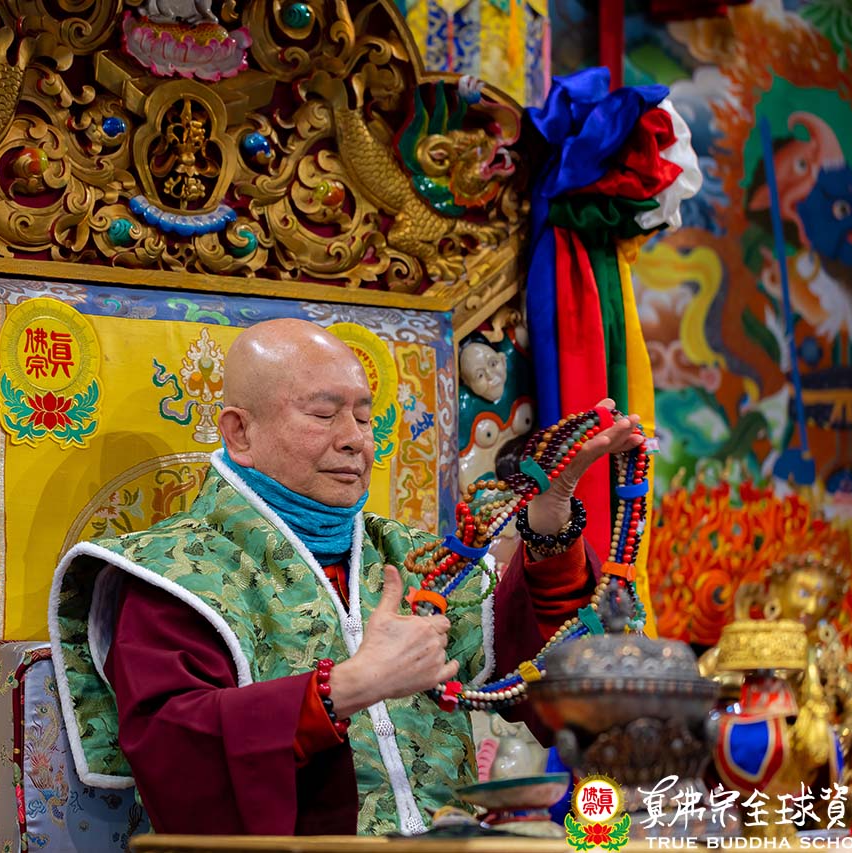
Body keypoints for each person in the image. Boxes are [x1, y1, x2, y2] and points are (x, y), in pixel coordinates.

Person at [49, 318, 643, 836]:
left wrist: (550, 520)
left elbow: (545, 672)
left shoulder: (409, 558)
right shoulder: (172, 574)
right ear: (239, 433)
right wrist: (343, 690)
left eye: (363, 416)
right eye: (323, 414)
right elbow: (176, 756)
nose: (355, 440)